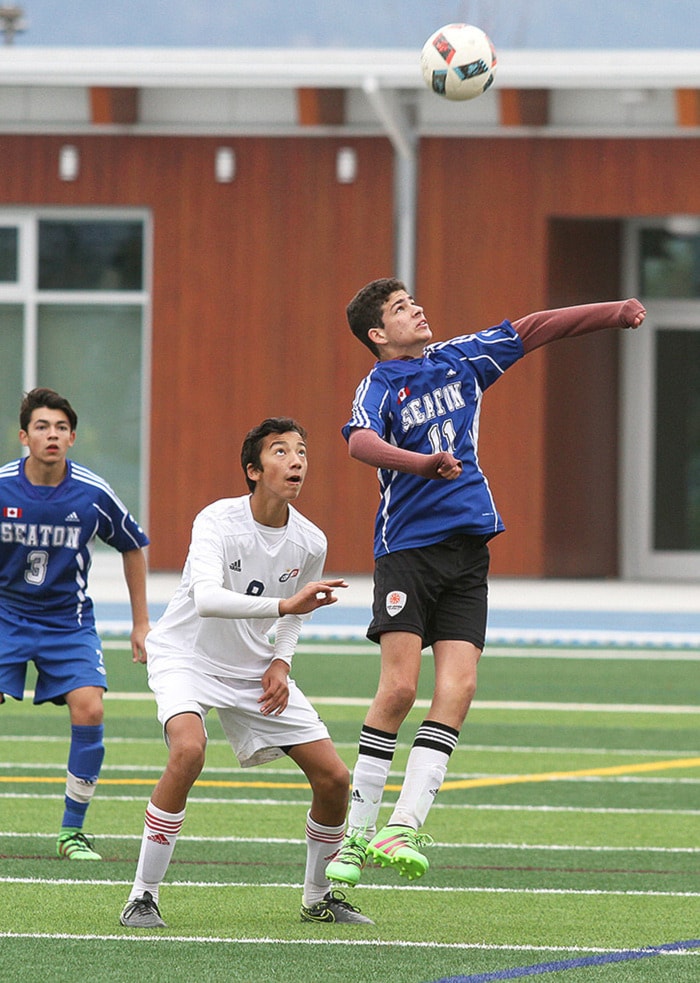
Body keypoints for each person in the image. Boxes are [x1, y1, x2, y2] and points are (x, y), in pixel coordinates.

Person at [326, 278, 647, 888]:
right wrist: (421, 463)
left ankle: (403, 826)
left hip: (469, 550)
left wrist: (612, 311)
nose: (416, 310)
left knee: (461, 685)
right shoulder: (379, 385)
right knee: (398, 689)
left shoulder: (460, 358)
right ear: (377, 334)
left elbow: (531, 328)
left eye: (414, 301)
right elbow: (361, 443)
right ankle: (356, 834)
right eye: (399, 309)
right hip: (408, 552)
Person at [120, 417, 373, 928]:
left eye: (301, 451)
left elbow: (296, 613)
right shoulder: (216, 520)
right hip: (186, 656)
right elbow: (209, 600)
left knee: (334, 778)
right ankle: (142, 897)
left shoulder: (310, 540)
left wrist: (281, 661)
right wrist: (285, 605)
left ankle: (318, 898)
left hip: (252, 667)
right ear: (253, 470)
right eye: (280, 452)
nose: (296, 460)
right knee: (189, 750)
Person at [0, 387, 150, 861]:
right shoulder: (2, 486)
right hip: (5, 616)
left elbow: (132, 545)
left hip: (68, 622)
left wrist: (140, 623)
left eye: (61, 428)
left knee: (90, 710)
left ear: (73, 438)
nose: (52, 435)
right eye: (42, 427)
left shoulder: (91, 492)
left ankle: (72, 831)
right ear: (24, 435)